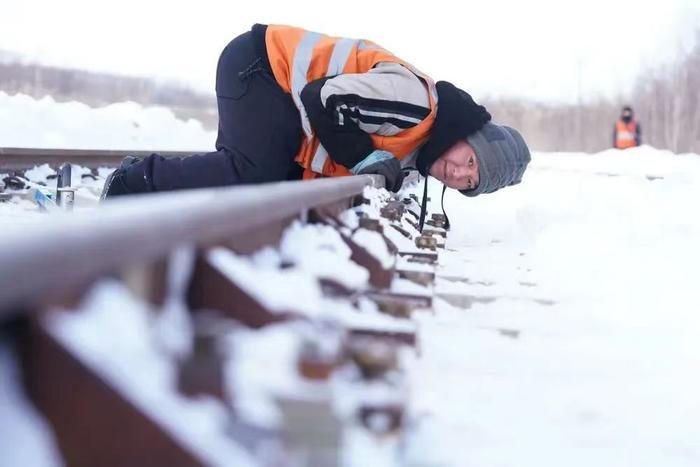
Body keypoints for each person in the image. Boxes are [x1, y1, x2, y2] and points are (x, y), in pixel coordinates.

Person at [102, 23, 530, 202]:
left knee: (269, 189)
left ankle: (164, 208)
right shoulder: (417, 103)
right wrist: (364, 156)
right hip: (264, 66)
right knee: (252, 171)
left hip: (280, 97)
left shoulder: (414, 157)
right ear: (466, 135)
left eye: (469, 183)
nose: (458, 175)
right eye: (469, 162)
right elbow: (323, 98)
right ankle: (134, 180)